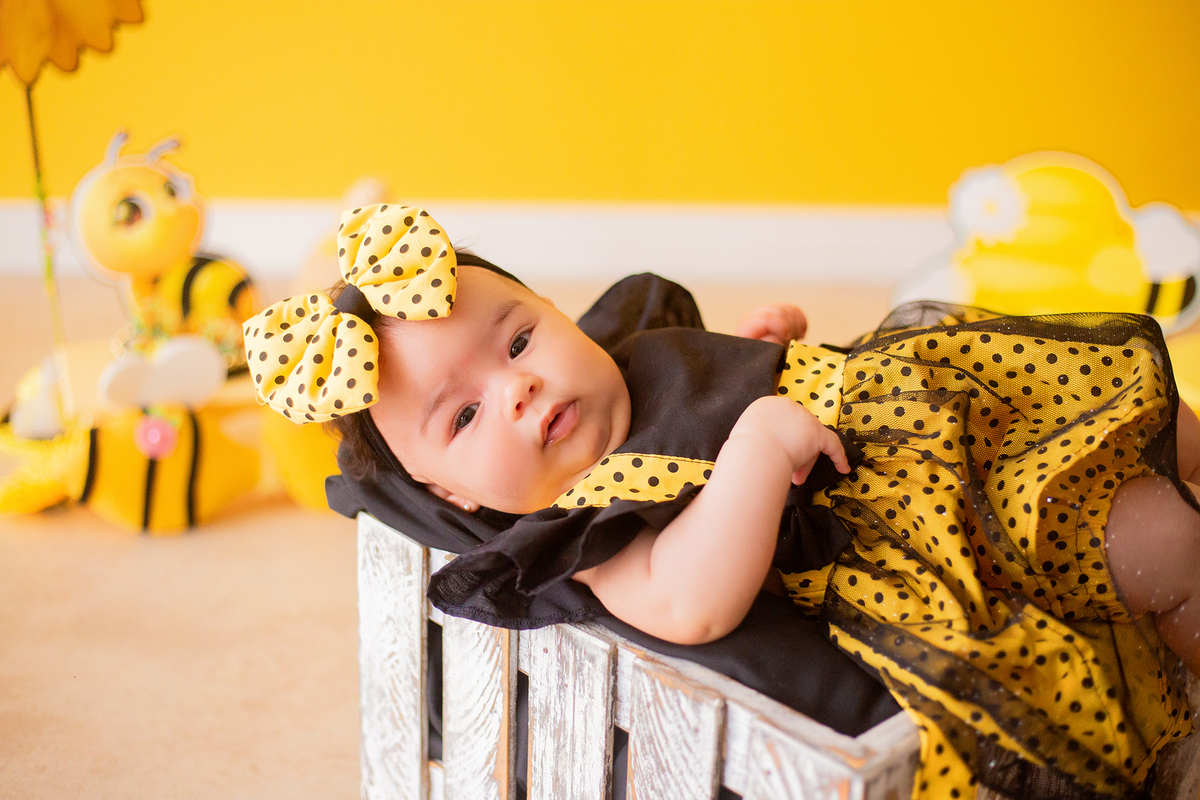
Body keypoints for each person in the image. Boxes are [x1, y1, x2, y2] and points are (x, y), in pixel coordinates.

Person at [243, 204, 1200, 800]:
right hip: (923, 540)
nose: (518, 388)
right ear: (452, 494)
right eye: (463, 416)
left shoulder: (633, 354)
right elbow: (688, 600)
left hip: (938, 415)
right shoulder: (580, 527)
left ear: (560, 313)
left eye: (520, 339)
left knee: (1128, 399)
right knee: (1160, 535)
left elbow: (698, 393)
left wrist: (754, 352)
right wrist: (755, 448)